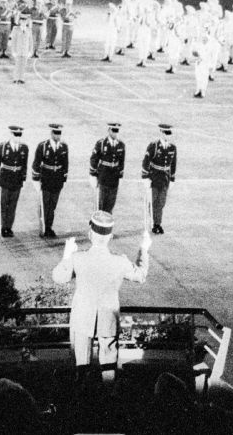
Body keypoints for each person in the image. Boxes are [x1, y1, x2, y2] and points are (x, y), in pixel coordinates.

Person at [52, 210, 151, 379]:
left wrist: (67, 256)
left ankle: (82, 400)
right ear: (110, 236)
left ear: (90, 234)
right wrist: (144, 248)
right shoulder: (120, 261)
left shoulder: (78, 258)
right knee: (109, 366)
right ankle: (109, 399)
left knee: (81, 366)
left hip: (82, 318)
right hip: (108, 318)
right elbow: (141, 275)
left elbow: (59, 277)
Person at [32, 123, 69, 238]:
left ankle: (49, 227)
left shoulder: (63, 147)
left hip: (57, 179)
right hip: (46, 178)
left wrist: (63, 179)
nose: (58, 136)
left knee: (52, 206)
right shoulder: (43, 146)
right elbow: (36, 163)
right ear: (51, 133)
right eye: (56, 133)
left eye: (59, 134)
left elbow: (65, 164)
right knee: (44, 204)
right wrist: (36, 179)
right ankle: (42, 227)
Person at [0, 125, 29, 237]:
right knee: (4, 204)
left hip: (17, 180)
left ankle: (9, 227)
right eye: (15, 135)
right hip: (5, 179)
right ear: (11, 135)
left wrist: (23, 179)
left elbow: (24, 165)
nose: (18, 138)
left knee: (13, 205)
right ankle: (3, 227)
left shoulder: (24, 148)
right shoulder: (3, 147)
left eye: (19, 135)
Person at [142, 122, 177, 234]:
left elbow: (173, 164)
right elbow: (146, 162)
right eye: (166, 133)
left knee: (161, 203)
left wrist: (172, 179)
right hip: (154, 177)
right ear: (161, 133)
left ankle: (157, 224)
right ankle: (150, 222)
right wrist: (145, 177)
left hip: (164, 179)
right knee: (152, 201)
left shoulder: (172, 148)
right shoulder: (154, 146)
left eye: (169, 133)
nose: (168, 135)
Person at [89, 122, 127, 213]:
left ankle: (106, 226)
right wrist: (92, 175)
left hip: (114, 178)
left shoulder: (121, 145)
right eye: (113, 131)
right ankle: (97, 226)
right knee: (100, 204)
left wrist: (121, 176)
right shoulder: (101, 144)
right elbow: (94, 159)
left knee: (110, 205)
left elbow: (121, 162)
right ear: (109, 130)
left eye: (116, 131)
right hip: (103, 177)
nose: (115, 133)